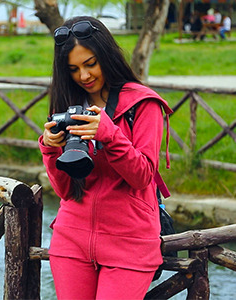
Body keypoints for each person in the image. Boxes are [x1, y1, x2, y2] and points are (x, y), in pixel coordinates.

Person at [38, 16, 173, 299]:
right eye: (73, 69)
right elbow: (65, 190)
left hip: (130, 242)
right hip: (71, 238)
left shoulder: (143, 104)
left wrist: (108, 134)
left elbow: (142, 175)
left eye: (90, 64)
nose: (84, 76)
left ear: (106, 56)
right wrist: (51, 148)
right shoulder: (71, 106)